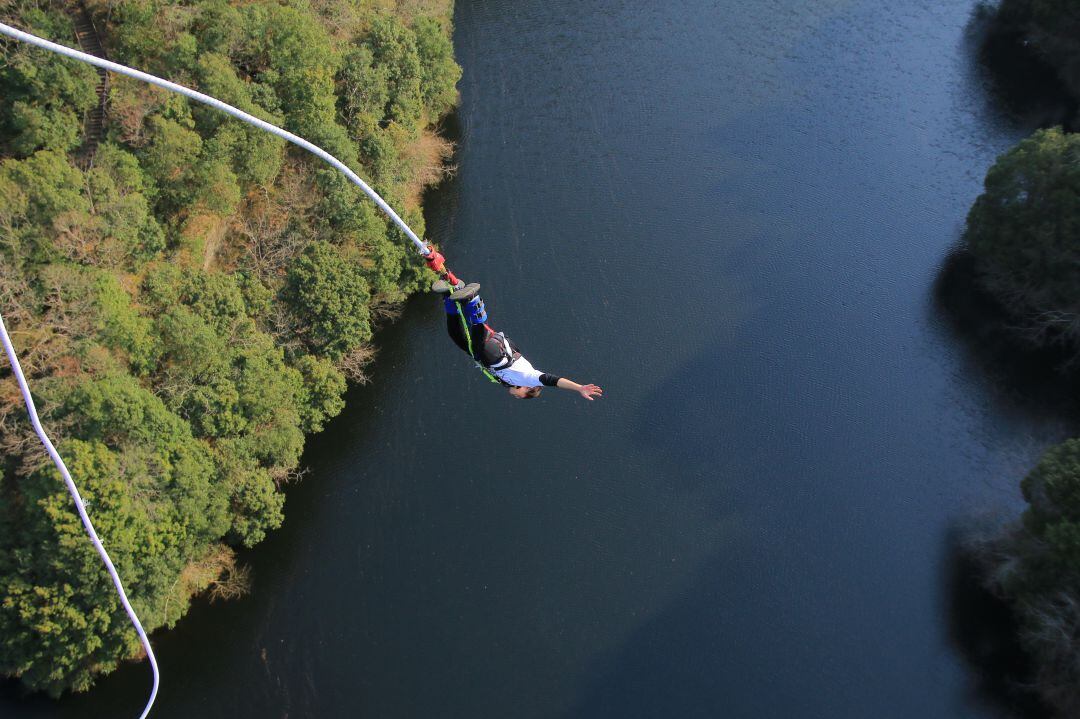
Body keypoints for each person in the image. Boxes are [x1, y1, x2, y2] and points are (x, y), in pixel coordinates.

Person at [433, 280, 603, 401]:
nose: (517, 397)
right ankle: (472, 300)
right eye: (521, 397)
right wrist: (579, 388)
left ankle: (449, 298)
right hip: (495, 354)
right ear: (528, 389)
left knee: (459, 339)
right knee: (477, 347)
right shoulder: (529, 379)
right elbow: (552, 380)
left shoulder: (510, 383)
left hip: (497, 351)